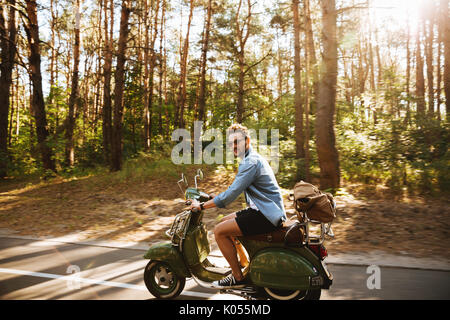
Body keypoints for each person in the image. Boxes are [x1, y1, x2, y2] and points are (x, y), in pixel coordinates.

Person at [187, 123, 286, 288]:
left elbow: (232, 194)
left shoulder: (250, 162)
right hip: (263, 210)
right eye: (230, 143)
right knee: (224, 222)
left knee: (219, 232)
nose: (233, 146)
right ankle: (242, 263)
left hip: (266, 215)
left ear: (246, 141)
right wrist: (214, 197)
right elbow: (235, 189)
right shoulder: (251, 159)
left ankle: (238, 277)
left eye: (236, 142)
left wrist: (201, 207)